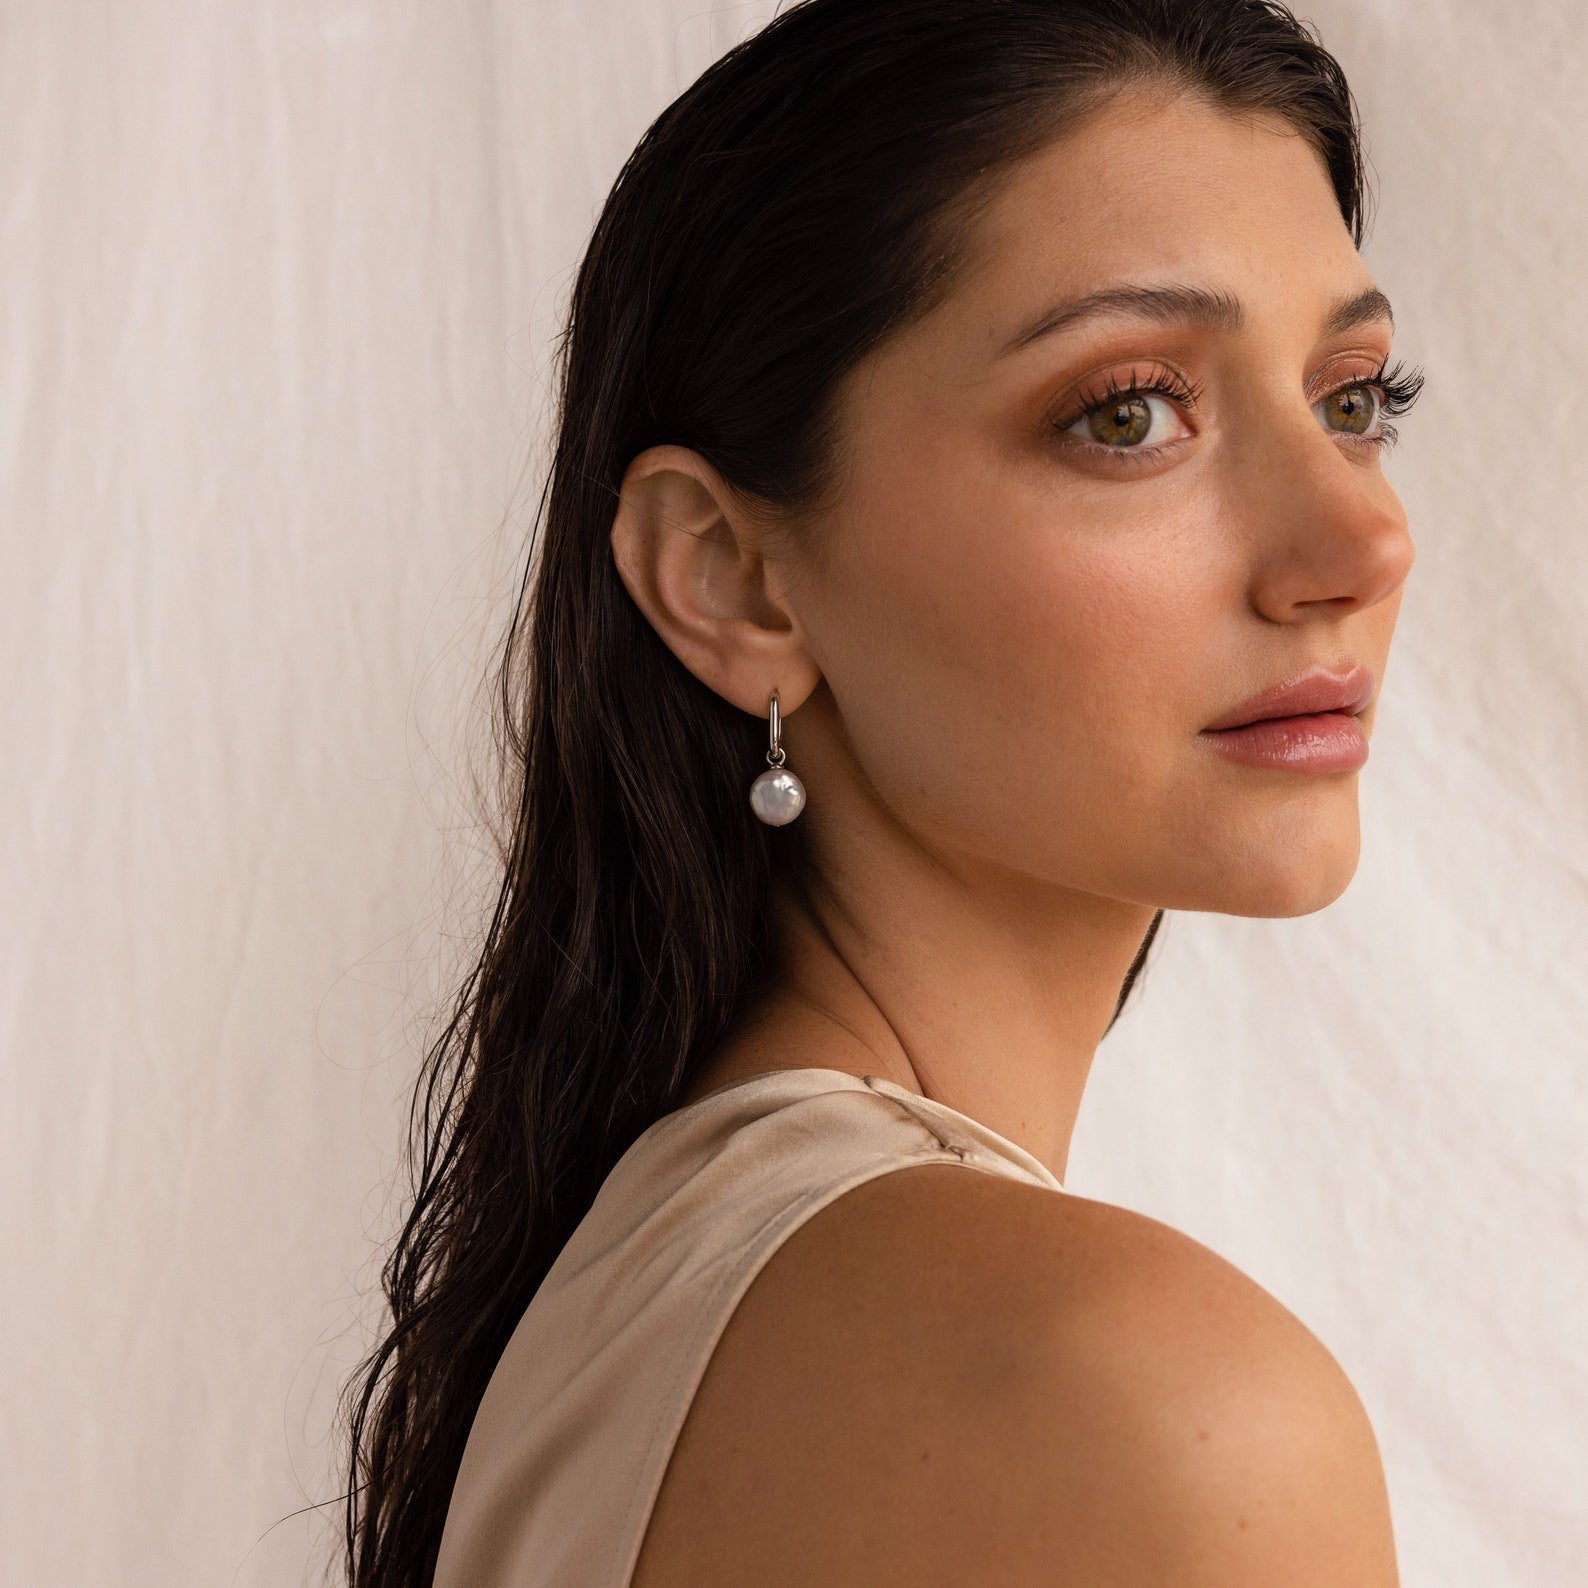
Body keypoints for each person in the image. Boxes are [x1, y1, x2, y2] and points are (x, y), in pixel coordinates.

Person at [340, 1, 1423, 1583]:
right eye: (1128, 412)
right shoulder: (1148, 1402)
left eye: (1354, 399)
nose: (1364, 544)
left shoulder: (650, 1291)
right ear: (731, 577)